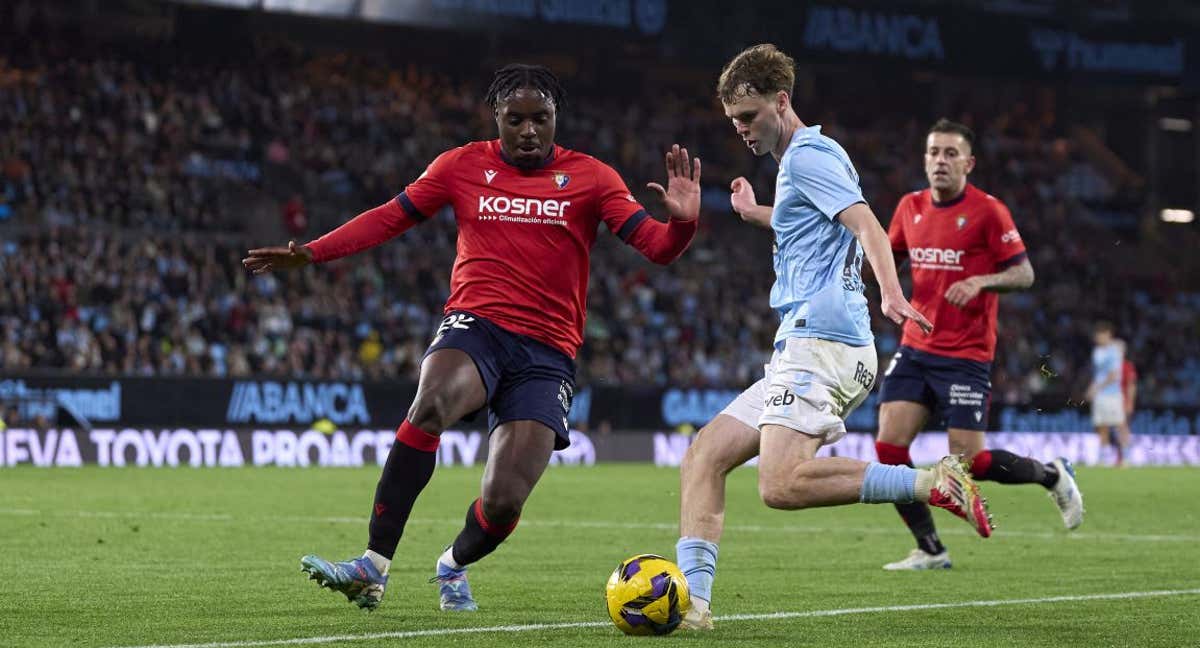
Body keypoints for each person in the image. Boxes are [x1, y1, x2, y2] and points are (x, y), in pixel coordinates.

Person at [243, 64, 702, 612]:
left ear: (556, 119)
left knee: (503, 501)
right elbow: (390, 218)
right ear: (497, 120)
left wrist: (682, 224)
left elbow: (656, 246)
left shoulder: (593, 178)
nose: (528, 131)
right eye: (516, 120)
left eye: (540, 119)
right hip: (477, 324)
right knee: (432, 401)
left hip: (548, 353)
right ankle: (372, 565)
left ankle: (452, 564)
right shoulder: (461, 165)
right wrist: (312, 252)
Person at [674, 45, 992, 632]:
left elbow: (866, 223)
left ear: (782, 101)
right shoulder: (801, 160)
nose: (741, 130)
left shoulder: (809, 157)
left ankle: (929, 481)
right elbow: (809, 223)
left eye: (749, 116)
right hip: (805, 344)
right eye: (734, 121)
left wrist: (891, 294)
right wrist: (756, 212)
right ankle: (694, 607)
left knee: (780, 484)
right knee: (703, 457)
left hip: (824, 344)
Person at [871, 119, 1083, 572]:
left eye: (950, 154)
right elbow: (889, 258)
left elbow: (1024, 274)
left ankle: (1052, 474)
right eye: (933, 152)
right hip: (915, 347)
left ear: (968, 163)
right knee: (888, 450)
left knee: (974, 462)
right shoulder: (909, 207)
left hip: (965, 356)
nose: (940, 161)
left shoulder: (989, 211)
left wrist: (982, 281)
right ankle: (930, 548)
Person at [1089, 322, 1128, 466]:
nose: (1098, 338)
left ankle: (1125, 457)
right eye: (1097, 335)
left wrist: (1097, 387)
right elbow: (1098, 373)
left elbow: (1113, 375)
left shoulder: (1114, 350)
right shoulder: (1097, 352)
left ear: (1108, 335)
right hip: (1099, 394)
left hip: (1112, 393)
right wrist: (1092, 387)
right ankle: (1104, 458)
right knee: (1101, 426)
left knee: (1119, 425)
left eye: (1101, 335)